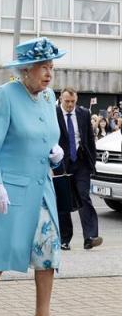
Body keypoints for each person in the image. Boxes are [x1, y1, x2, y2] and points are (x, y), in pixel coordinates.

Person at [0, 37, 68, 316]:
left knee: (48, 251)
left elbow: (48, 134)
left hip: (41, 187)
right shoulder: (6, 94)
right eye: (42, 67)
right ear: (26, 70)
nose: (48, 73)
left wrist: (55, 149)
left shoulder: (49, 97)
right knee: (0, 250)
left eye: (51, 66)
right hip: (9, 189)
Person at [54, 88, 101, 251]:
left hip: (81, 162)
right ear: (61, 99)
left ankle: (90, 237)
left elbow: (89, 139)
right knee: (64, 200)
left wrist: (92, 162)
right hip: (61, 163)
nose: (70, 105)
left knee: (84, 197)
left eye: (73, 101)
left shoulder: (84, 113)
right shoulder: (53, 114)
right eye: (67, 101)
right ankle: (64, 239)